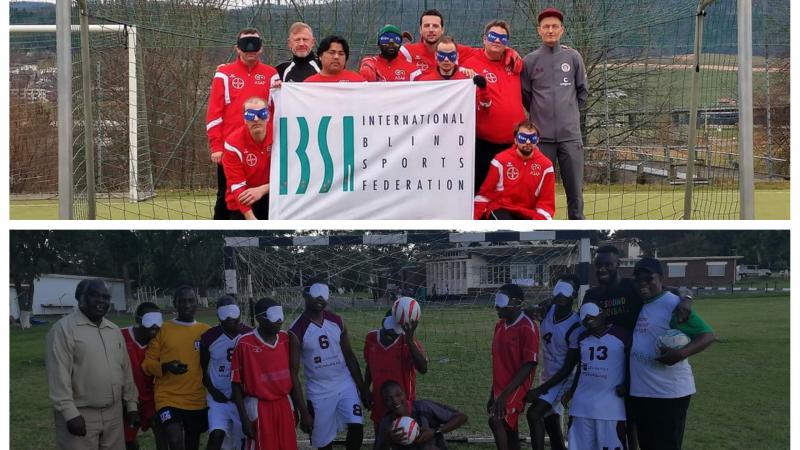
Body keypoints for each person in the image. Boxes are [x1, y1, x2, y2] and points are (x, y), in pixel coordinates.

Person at [628, 257, 716, 450]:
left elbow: (707, 335)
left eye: (649, 278)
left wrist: (681, 353)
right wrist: (686, 294)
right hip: (642, 393)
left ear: (660, 278)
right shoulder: (639, 302)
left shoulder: (673, 304)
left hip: (669, 394)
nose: (643, 283)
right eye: (638, 279)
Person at [46, 279, 140, 450]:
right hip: (81, 413)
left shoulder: (114, 330)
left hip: (114, 414)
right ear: (79, 297)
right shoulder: (63, 330)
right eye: (94, 296)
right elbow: (58, 374)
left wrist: (131, 405)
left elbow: (125, 370)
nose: (101, 301)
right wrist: (70, 414)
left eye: (105, 297)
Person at [520, 7, 589, 220]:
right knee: (539, 193)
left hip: (570, 137)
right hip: (541, 140)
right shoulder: (529, 61)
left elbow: (582, 91)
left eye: (554, 27)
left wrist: (567, 113)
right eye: (546, 27)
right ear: (539, 30)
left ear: (562, 30)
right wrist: (542, 116)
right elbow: (525, 96)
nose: (550, 30)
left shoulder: (573, 57)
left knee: (575, 194)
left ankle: (578, 234)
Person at [206, 28, 277, 220]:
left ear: (261, 48)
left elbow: (278, 111)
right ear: (237, 48)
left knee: (266, 197)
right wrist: (216, 145)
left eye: (255, 43)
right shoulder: (224, 74)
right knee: (226, 196)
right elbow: (214, 113)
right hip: (231, 149)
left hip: (263, 149)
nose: (251, 48)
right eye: (246, 44)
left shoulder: (272, 75)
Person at [289, 282, 367, 450]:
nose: (320, 298)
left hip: (344, 384)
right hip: (319, 391)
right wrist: (303, 412)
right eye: (315, 293)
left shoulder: (337, 321)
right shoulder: (296, 330)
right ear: (305, 295)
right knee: (324, 443)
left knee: (357, 427)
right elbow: (293, 374)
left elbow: (350, 356)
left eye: (323, 293)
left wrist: (363, 389)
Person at [142, 286, 211, 450]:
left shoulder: (206, 331)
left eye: (190, 301)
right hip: (168, 397)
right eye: (182, 301)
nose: (186, 305)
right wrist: (165, 366)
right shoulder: (163, 329)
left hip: (196, 398)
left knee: (192, 443)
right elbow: (147, 364)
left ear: (196, 303)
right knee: (174, 440)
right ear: (175, 304)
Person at [462, 20, 526, 192]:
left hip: (513, 145)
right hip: (483, 145)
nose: (497, 41)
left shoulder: (513, 63)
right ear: (484, 39)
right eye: (493, 36)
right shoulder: (469, 61)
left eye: (502, 38)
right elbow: (441, 51)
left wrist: (512, 52)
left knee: (513, 195)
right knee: (481, 193)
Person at [231, 298, 302, 450]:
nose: (279, 320)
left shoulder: (285, 338)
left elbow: (293, 376)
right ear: (259, 318)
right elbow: (236, 384)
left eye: (280, 315)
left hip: (284, 403)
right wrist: (244, 420)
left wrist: (296, 408)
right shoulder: (244, 343)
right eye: (273, 315)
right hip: (259, 406)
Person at [524, 275, 582, 450]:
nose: (562, 294)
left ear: (574, 294)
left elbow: (568, 367)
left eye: (567, 290)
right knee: (551, 423)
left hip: (563, 379)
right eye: (559, 289)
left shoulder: (576, 325)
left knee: (534, 414)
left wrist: (540, 390)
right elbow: (527, 312)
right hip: (547, 374)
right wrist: (541, 305)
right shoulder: (548, 310)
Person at [565, 302, 630, 450]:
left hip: (611, 407)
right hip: (581, 406)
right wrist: (572, 390)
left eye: (592, 313)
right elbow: (581, 367)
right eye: (584, 315)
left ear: (604, 314)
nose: (588, 318)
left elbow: (633, 365)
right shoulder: (582, 338)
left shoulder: (623, 335)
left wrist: (628, 384)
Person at [488, 284, 539, 450]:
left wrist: (505, 395)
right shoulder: (499, 326)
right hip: (500, 387)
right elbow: (498, 363)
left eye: (502, 301)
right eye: (496, 300)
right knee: (510, 430)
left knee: (496, 420)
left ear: (517, 303)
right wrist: (493, 393)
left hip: (516, 386)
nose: (497, 305)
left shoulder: (528, 327)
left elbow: (529, 364)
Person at [474, 120, 555, 220]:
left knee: (533, 232)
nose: (528, 142)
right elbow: (485, 194)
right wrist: (473, 221)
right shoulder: (500, 160)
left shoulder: (546, 166)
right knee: (506, 229)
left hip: (528, 214)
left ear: (537, 140)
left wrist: (538, 224)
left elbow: (547, 203)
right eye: (523, 138)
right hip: (502, 209)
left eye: (532, 138)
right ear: (516, 139)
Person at [200, 296, 252, 450]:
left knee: (242, 441)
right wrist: (213, 391)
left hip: (243, 399)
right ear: (218, 316)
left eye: (233, 312)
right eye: (225, 314)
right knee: (216, 435)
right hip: (218, 398)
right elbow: (201, 369)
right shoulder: (208, 337)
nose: (230, 318)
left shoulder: (250, 334)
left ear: (240, 313)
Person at [363, 311, 429, 431]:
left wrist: (409, 341)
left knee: (403, 436)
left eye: (397, 329)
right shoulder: (371, 338)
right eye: (391, 326)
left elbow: (423, 368)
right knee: (381, 438)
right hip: (380, 399)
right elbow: (370, 366)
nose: (392, 332)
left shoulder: (408, 341)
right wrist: (366, 388)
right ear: (384, 320)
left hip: (402, 402)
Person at [122, 302, 167, 450]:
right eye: (150, 319)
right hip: (127, 399)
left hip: (152, 398)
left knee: (161, 430)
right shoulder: (120, 336)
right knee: (128, 439)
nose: (155, 325)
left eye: (158, 320)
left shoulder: (160, 341)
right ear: (138, 320)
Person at [374, 380, 467, 450]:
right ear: (385, 403)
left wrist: (435, 432)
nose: (395, 401)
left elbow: (461, 417)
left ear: (405, 394)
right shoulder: (386, 422)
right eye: (389, 399)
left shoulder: (423, 407)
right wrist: (389, 440)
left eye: (398, 395)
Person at [221, 96, 272, 220]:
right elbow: (237, 186)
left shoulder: (281, 135)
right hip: (241, 201)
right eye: (250, 115)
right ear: (244, 119)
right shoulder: (232, 143)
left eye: (261, 114)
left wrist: (262, 189)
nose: (256, 119)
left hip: (271, 196)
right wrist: (251, 219)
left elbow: (290, 177)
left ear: (268, 116)